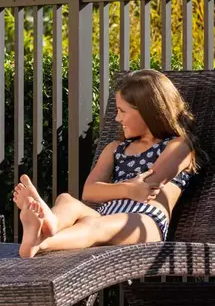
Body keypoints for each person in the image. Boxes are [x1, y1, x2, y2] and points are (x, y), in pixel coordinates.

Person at [14, 69, 201, 258]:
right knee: (66, 200)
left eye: (122, 111)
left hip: (145, 220)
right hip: (107, 214)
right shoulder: (115, 148)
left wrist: (125, 189)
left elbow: (147, 186)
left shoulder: (179, 145)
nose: (117, 118)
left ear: (148, 111)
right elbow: (89, 191)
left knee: (93, 226)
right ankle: (50, 224)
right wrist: (128, 189)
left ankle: (42, 242)